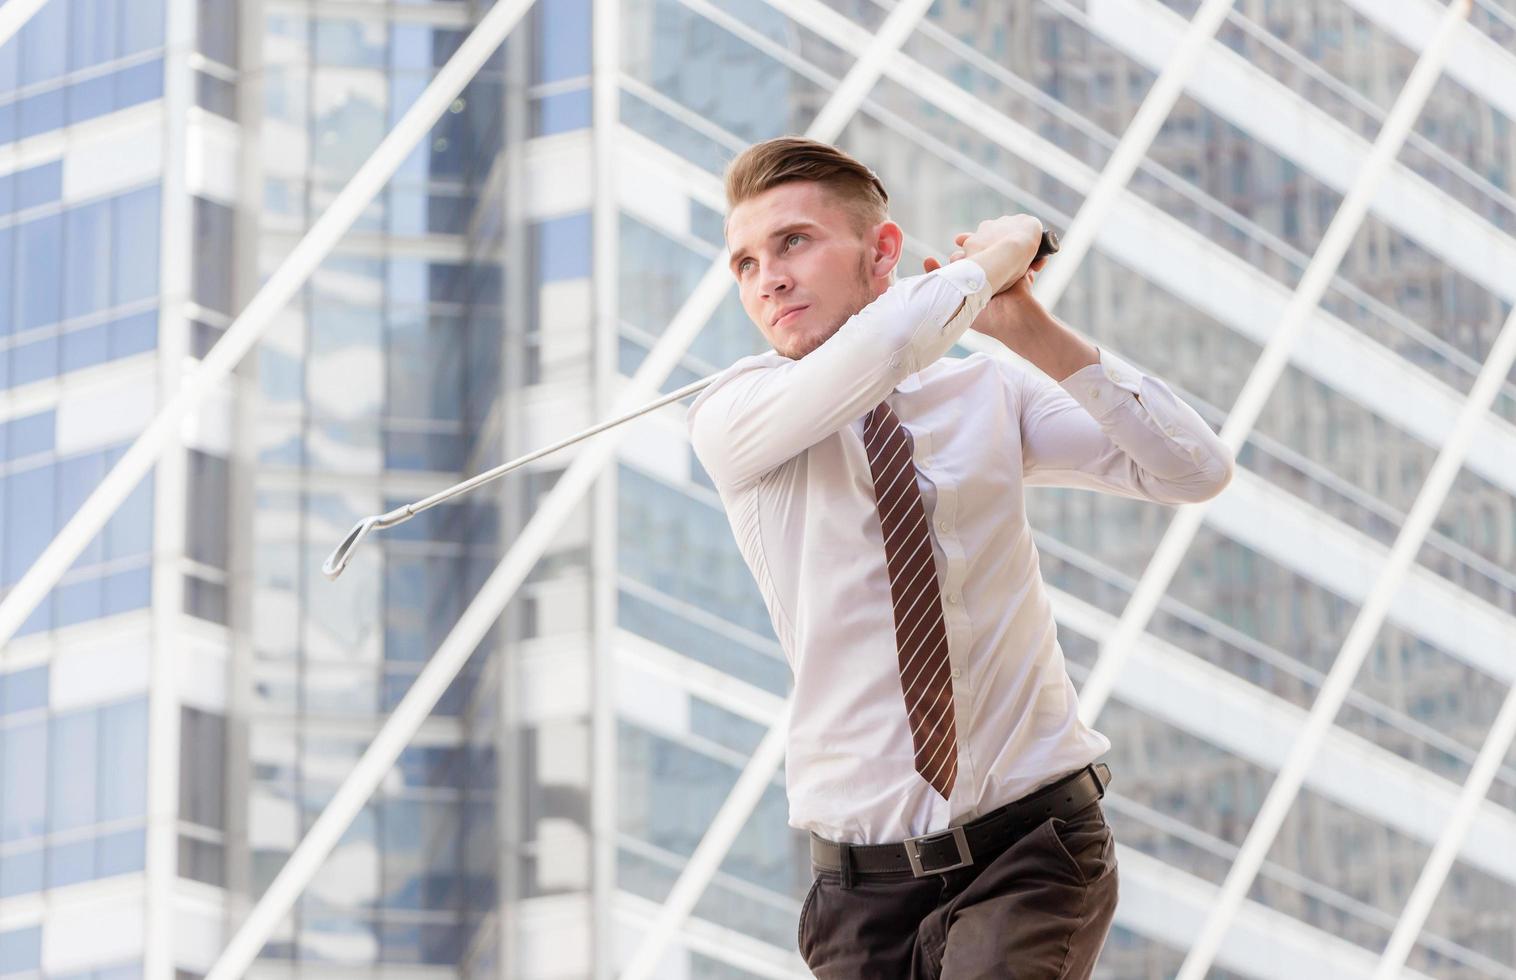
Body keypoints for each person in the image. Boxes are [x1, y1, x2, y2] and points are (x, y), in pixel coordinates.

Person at [685, 136, 1233, 978]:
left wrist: (1026, 326)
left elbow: (1194, 468)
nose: (769, 278)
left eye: (793, 241)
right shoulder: (738, 417)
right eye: (746, 263)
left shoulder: (986, 391)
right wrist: (989, 266)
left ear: (884, 253)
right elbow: (881, 352)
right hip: (861, 899)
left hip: (1033, 850)